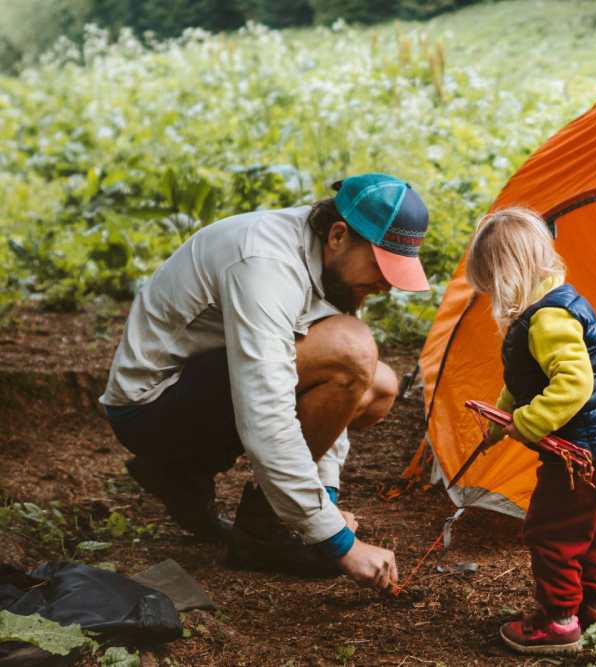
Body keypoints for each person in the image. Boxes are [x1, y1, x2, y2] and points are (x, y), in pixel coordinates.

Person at [99, 173, 431, 589]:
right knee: (352, 348)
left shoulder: (334, 268)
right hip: (148, 406)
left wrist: (323, 497)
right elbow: (267, 410)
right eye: (381, 265)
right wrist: (338, 541)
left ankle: (256, 518)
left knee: (378, 383)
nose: (386, 285)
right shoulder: (265, 264)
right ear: (338, 235)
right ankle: (238, 514)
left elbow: (336, 392)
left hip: (205, 389)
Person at [465, 207, 596, 655]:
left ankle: (559, 620)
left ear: (507, 276)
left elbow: (574, 384)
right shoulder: (560, 301)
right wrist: (502, 423)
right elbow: (526, 381)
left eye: (491, 285)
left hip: (583, 457)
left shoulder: (546, 320)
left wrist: (527, 423)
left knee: (553, 534)